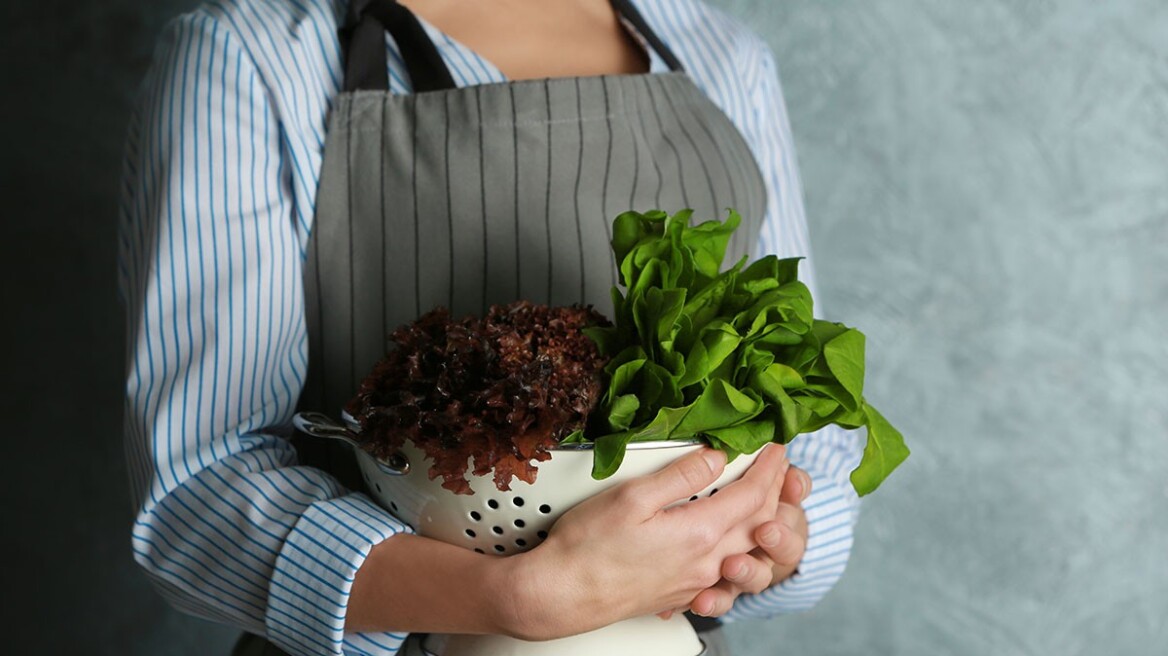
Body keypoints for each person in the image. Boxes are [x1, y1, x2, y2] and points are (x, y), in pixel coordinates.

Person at [117, 0, 865, 654]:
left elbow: (817, 435)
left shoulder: (723, 57)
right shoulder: (254, 56)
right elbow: (201, 496)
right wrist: (506, 600)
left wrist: (774, 545)